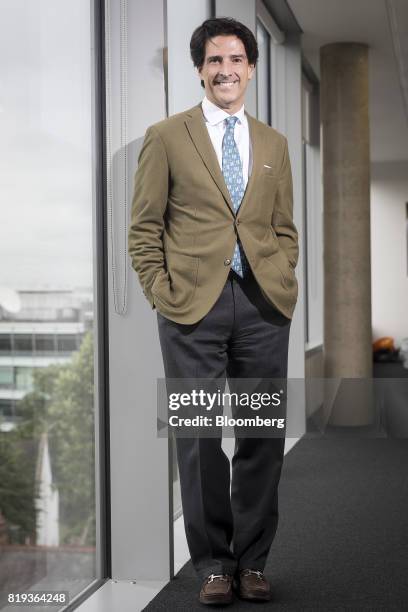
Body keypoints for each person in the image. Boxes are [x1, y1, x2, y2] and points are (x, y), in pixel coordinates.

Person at [128, 17, 298, 606]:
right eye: (214, 61)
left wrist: (282, 276)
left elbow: (283, 228)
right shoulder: (167, 136)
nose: (226, 70)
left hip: (261, 308)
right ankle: (213, 566)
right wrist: (159, 290)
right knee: (198, 439)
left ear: (251, 67)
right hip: (190, 313)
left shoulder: (274, 143)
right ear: (200, 69)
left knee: (260, 436)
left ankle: (253, 561)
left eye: (236, 60)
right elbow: (144, 228)